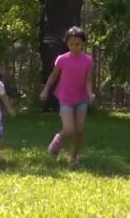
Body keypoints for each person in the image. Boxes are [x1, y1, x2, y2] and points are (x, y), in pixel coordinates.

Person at [40, 26, 94, 165]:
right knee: (69, 129)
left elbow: (88, 80)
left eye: (78, 44)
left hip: (81, 99)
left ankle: (74, 157)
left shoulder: (88, 60)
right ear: (67, 43)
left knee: (79, 130)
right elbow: (53, 76)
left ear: (83, 43)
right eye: (71, 44)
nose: (74, 47)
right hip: (65, 98)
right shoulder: (62, 59)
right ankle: (57, 141)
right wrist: (46, 90)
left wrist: (90, 94)